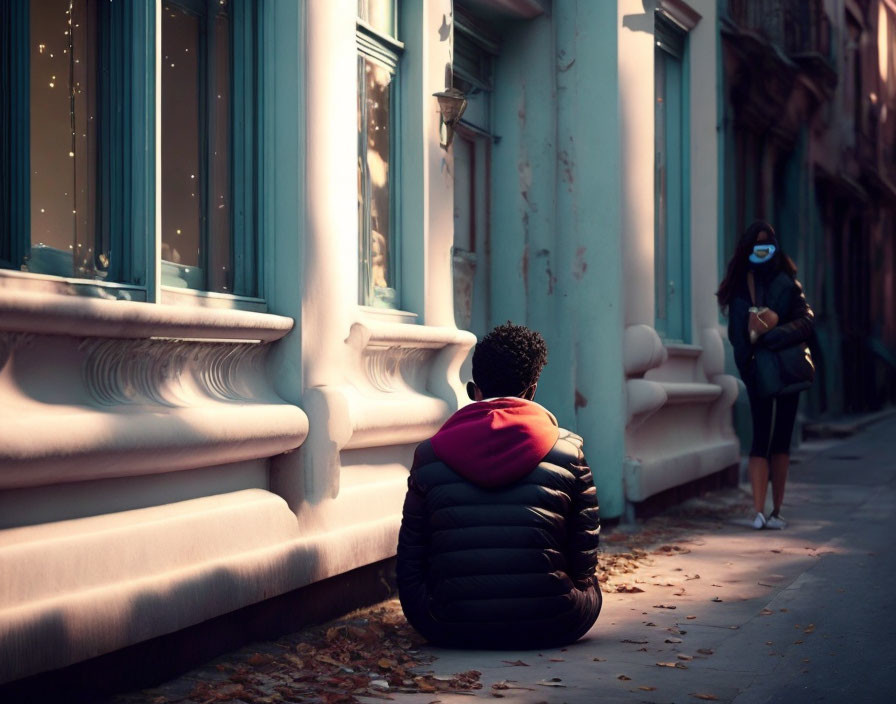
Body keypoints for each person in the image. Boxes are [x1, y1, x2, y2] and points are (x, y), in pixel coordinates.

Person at [396, 323, 602, 649]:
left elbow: (410, 560)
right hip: (554, 621)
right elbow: (584, 561)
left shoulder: (429, 454)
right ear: (532, 391)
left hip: (448, 625)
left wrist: (427, 614)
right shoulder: (569, 452)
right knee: (593, 587)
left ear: (475, 390)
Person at [717, 221, 815, 530]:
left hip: (788, 371)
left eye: (767, 246)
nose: (763, 252)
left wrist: (773, 332)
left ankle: (776, 510)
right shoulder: (740, 286)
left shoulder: (788, 283)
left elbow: (806, 320)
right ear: (748, 250)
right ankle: (759, 510)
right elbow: (737, 335)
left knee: (782, 439)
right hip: (759, 372)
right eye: (757, 247)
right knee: (760, 438)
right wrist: (749, 366)